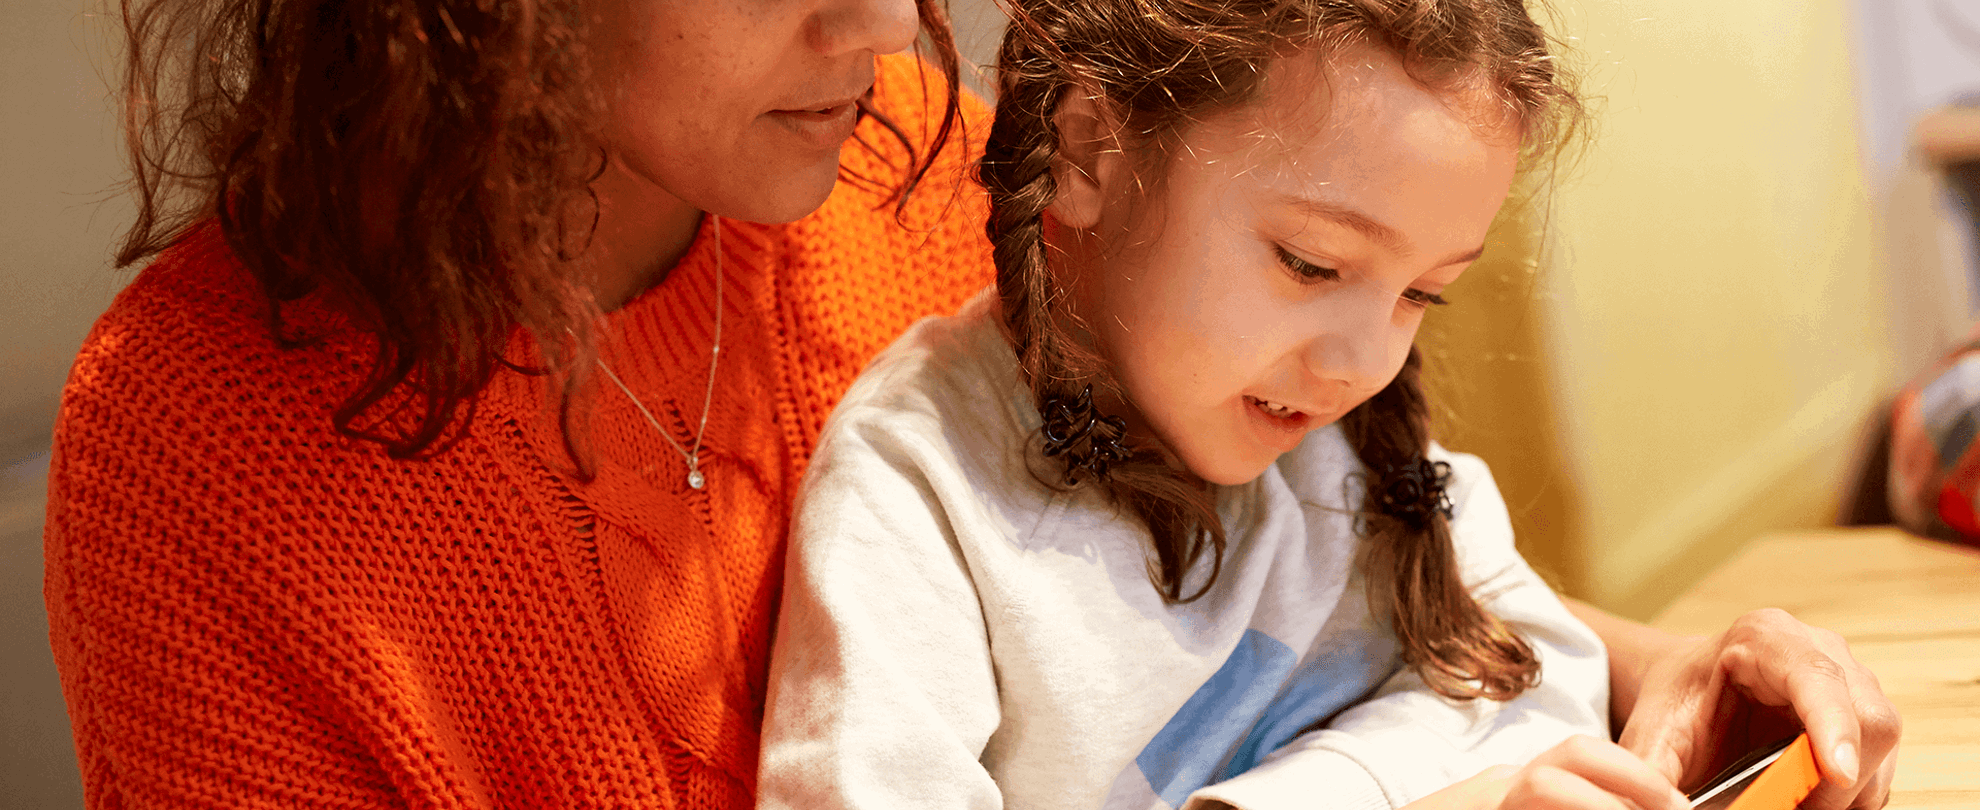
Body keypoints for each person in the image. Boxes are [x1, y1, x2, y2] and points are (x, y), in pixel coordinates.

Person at [43, 0, 1897, 807]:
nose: (885, 25)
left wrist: (1660, 673)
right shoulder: (197, 458)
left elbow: (1284, 576)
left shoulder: (906, 166)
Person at [754, 1, 1899, 809]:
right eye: (1310, 263)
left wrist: (1688, 700)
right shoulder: (920, 498)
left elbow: (1532, 664)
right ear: (1093, 149)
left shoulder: (1329, 436)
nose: (1364, 362)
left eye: (1422, 293)